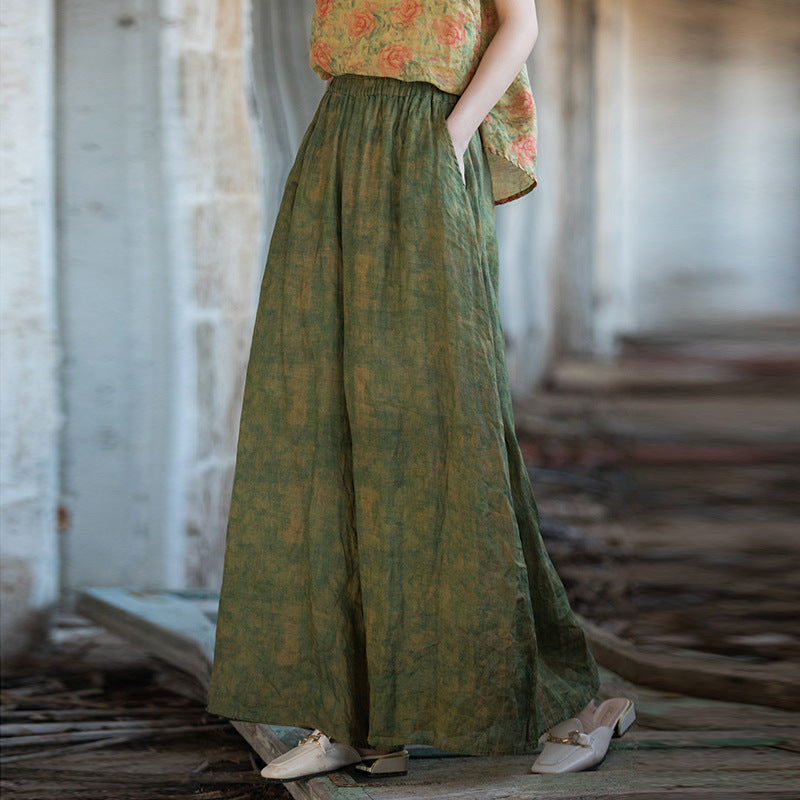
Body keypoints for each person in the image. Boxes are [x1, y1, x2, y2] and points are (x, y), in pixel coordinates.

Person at [205, 0, 635, 782]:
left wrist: (453, 134)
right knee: (328, 402)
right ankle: (356, 716)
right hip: (340, 141)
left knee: (445, 408)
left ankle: (570, 705)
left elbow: (521, 23)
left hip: (431, 134)